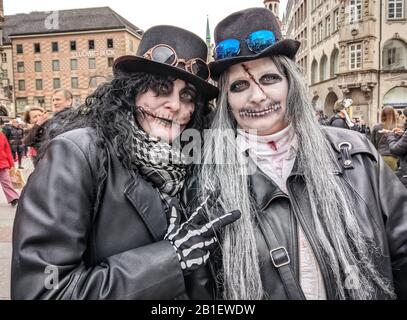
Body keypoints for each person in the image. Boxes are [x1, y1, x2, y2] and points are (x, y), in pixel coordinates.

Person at [186, 8, 407, 300]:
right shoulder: (207, 181)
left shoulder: (357, 155)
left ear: (291, 82)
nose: (257, 96)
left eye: (269, 78)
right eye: (239, 86)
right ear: (226, 100)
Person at [11, 25, 240, 299]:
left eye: (186, 95)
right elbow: (44, 291)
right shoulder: (76, 154)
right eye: (160, 88)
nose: (175, 105)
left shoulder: (188, 163)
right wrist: (170, 260)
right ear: (131, 91)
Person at [371, 106, 398, 171]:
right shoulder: (397, 128)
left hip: (380, 156)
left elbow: (372, 143)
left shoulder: (376, 127)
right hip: (393, 157)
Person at [0, 131, 19, 207]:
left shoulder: (2, 136)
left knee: (7, 182)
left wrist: (12, 164)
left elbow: (7, 150)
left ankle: (13, 198)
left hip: (2, 164)